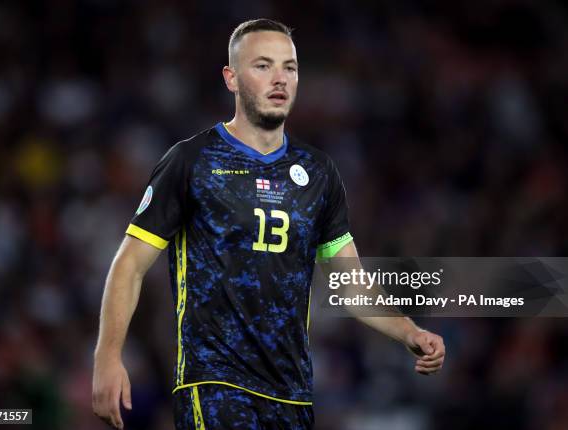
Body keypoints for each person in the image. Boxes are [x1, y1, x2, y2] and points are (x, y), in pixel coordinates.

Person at [92, 18, 445, 430]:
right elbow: (129, 264)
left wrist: (409, 332)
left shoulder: (318, 172)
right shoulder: (191, 162)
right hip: (215, 384)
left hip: (291, 395)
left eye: (289, 67)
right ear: (231, 78)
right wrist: (107, 358)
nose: (280, 79)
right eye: (263, 66)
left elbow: (349, 283)